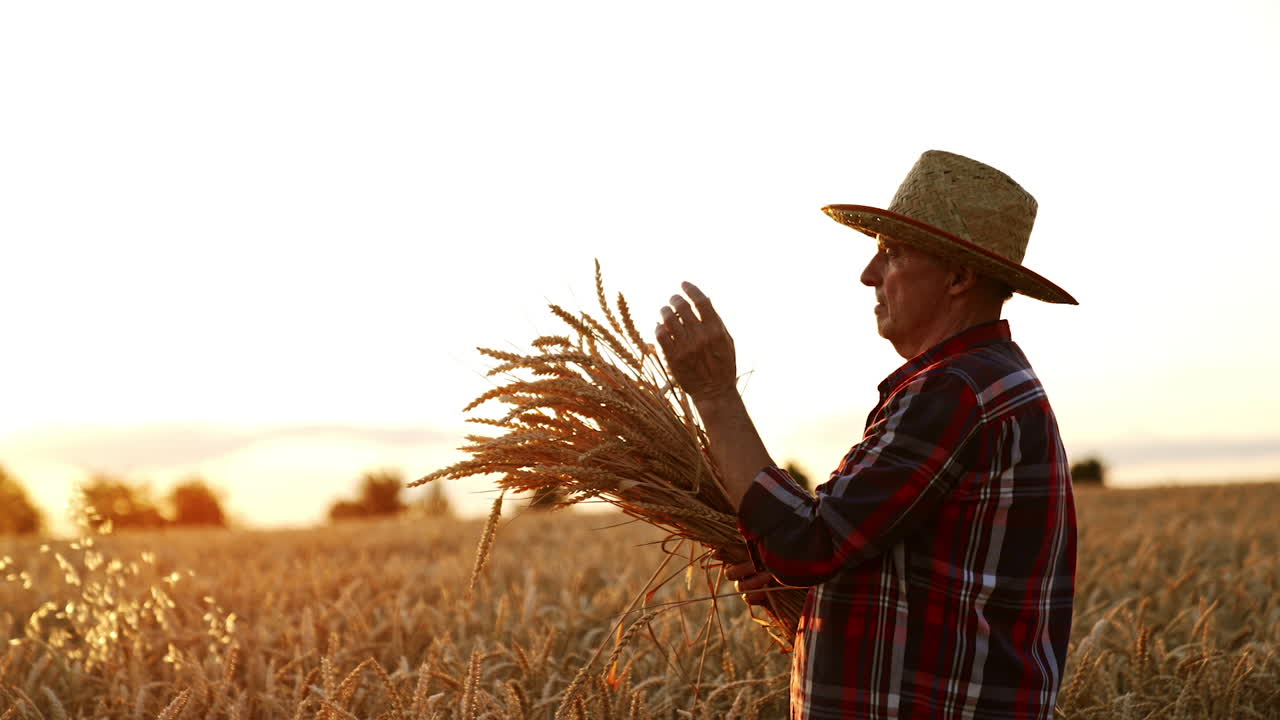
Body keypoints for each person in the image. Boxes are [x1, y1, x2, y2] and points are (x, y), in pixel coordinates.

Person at [654, 150, 1077, 720]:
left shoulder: (955, 391)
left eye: (892, 253)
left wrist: (715, 395)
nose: (868, 274)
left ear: (958, 277)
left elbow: (809, 544)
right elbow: (895, 564)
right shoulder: (990, 381)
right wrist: (803, 590)